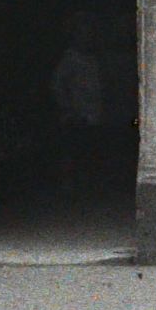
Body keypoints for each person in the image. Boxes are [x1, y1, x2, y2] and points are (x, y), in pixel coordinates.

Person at [49, 12, 105, 195]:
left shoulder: (92, 59)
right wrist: (67, 108)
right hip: (76, 114)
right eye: (83, 33)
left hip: (93, 113)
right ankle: (69, 187)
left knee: (89, 151)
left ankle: (88, 186)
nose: (87, 37)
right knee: (72, 151)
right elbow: (57, 85)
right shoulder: (70, 59)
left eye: (89, 33)